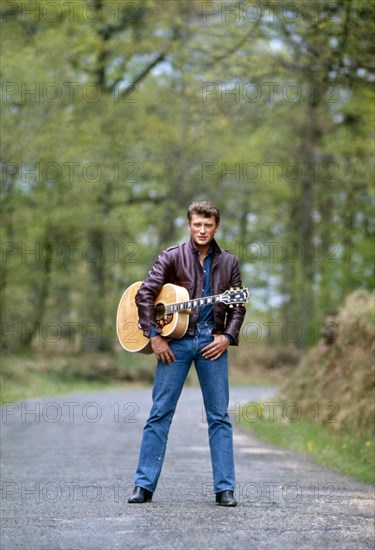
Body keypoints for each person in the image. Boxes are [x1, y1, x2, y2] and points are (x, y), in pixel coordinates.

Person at [128, 201, 246, 506]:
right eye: (197, 224)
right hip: (174, 343)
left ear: (216, 226)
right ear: (189, 225)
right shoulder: (171, 256)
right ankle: (143, 486)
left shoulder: (230, 263)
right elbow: (145, 294)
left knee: (219, 417)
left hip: (212, 344)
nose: (202, 230)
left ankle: (225, 489)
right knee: (160, 413)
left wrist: (228, 336)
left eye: (208, 225)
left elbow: (237, 306)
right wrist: (154, 335)